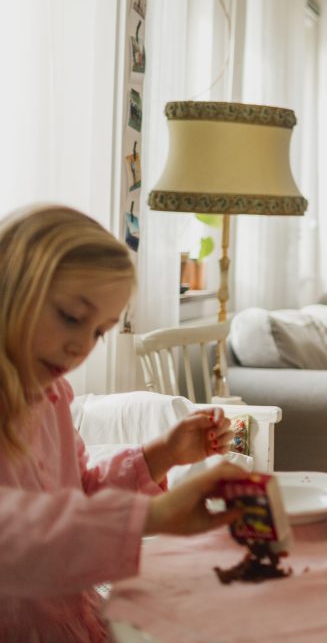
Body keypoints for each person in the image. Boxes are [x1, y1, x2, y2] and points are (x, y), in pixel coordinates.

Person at [0, 204, 249, 641]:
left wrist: (162, 454)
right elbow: (14, 535)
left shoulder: (52, 396)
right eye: (72, 317)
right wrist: (149, 516)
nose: (82, 346)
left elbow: (79, 493)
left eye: (99, 332)